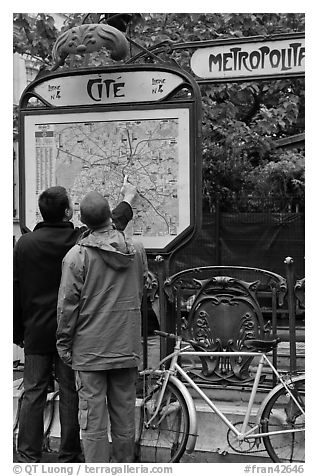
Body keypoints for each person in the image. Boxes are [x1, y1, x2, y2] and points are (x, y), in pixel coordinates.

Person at [13, 182, 137, 463]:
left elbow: (15, 290)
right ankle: (69, 453)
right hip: (73, 333)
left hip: (36, 332)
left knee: (33, 391)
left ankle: (27, 455)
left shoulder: (25, 244)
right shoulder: (80, 240)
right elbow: (110, 223)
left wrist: (18, 333)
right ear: (68, 212)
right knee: (71, 393)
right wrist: (128, 200)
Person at [56, 191, 148, 463]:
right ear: (110, 215)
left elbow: (67, 307)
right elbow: (140, 291)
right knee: (124, 420)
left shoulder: (76, 257)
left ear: (82, 221)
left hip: (89, 350)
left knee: (93, 423)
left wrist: (64, 344)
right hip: (125, 346)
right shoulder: (136, 251)